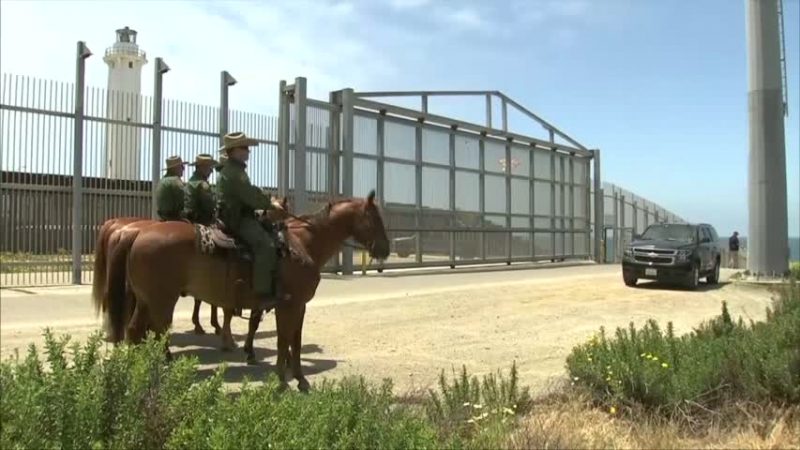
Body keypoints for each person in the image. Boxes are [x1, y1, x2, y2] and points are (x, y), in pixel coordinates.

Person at [216, 132, 289, 310]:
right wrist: (272, 206)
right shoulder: (236, 172)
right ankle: (262, 293)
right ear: (233, 151)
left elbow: (249, 191)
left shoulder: (234, 170)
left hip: (233, 213)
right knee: (266, 246)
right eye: (244, 147)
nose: (248, 151)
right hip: (238, 218)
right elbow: (249, 195)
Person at [183, 154, 218, 226]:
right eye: (209, 167)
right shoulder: (203, 185)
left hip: (187, 218)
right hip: (200, 221)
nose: (211, 171)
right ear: (202, 167)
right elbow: (210, 207)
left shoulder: (191, 181)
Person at [155, 155, 188, 221]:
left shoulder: (162, 180)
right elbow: (185, 200)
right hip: (174, 217)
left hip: (162, 216)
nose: (183, 169)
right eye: (181, 166)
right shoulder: (175, 181)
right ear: (174, 168)